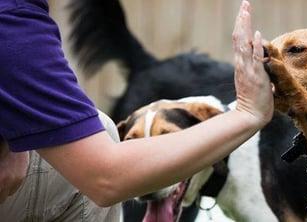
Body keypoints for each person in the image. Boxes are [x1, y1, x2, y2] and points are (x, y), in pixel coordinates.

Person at [0, 0, 268, 221]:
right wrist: (247, 112)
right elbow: (104, 178)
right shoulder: (13, 24)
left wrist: (11, 134)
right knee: (96, 156)